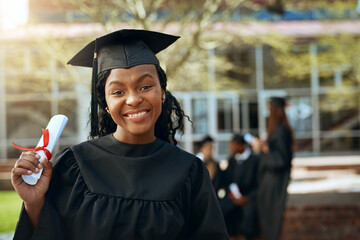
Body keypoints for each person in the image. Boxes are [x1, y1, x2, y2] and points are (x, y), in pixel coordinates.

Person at [11, 29, 229, 240]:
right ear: (105, 103)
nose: (133, 99)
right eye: (118, 92)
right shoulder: (73, 165)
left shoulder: (189, 171)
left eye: (145, 86)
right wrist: (34, 203)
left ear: (162, 92)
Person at [251, 96, 294, 240]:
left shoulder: (281, 131)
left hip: (274, 182)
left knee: (271, 218)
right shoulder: (279, 130)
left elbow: (281, 160)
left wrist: (265, 148)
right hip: (270, 180)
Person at [215, 134, 260, 240]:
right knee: (221, 208)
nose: (231, 148)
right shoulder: (231, 160)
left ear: (241, 145)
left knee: (249, 214)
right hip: (233, 197)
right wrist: (232, 196)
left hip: (249, 197)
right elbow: (227, 181)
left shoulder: (254, 160)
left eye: (233, 145)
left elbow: (259, 183)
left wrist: (247, 198)